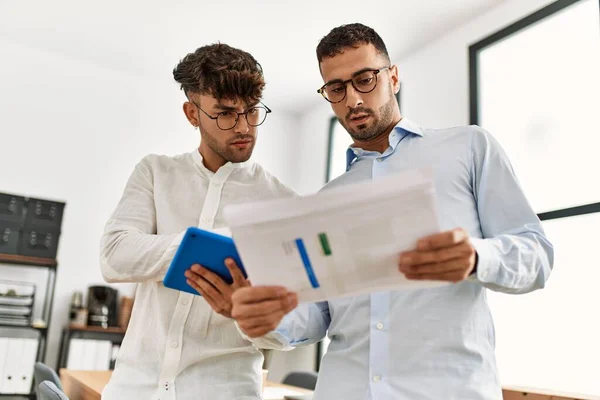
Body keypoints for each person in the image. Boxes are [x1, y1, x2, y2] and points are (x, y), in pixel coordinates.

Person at [226, 23, 554, 400]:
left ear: (393, 77)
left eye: (365, 79)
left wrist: (477, 256)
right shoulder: (326, 199)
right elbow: (318, 316)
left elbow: (537, 254)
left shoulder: (469, 148)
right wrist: (269, 318)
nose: (352, 100)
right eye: (336, 88)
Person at [99, 43, 296, 400]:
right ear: (192, 114)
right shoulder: (154, 172)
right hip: (133, 388)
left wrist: (248, 312)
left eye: (251, 111)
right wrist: (218, 243)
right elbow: (115, 254)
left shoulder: (282, 204)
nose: (244, 126)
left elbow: (291, 324)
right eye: (225, 113)